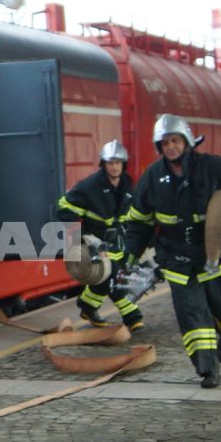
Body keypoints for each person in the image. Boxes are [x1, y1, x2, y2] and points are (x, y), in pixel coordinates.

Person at [120, 115, 221, 388]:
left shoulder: (213, 166)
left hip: (211, 252)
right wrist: (131, 251)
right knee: (192, 314)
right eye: (165, 142)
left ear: (187, 141)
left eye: (175, 141)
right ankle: (207, 369)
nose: (171, 146)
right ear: (159, 146)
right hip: (175, 256)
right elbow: (139, 220)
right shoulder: (152, 177)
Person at [55, 139, 144, 332]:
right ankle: (131, 315)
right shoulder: (89, 186)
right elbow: (63, 207)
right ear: (103, 165)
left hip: (118, 242)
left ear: (123, 164)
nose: (114, 167)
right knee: (113, 277)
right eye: (110, 163)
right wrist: (82, 233)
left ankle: (87, 307)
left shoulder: (128, 185)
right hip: (95, 242)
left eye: (117, 163)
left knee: (106, 279)